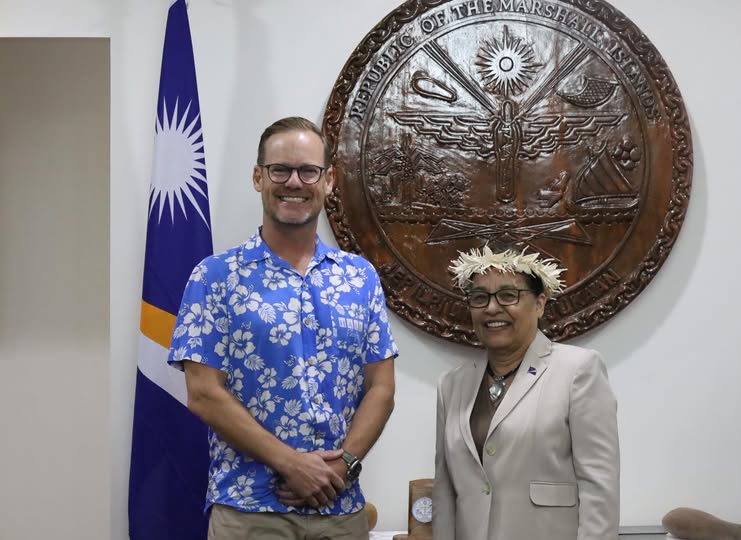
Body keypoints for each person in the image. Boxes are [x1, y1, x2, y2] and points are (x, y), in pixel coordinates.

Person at [168, 117, 398, 539]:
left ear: (328, 180)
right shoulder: (215, 277)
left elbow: (381, 388)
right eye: (280, 170)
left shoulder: (359, 278)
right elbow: (203, 393)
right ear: (259, 177)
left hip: (339, 507)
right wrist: (292, 463)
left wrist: (343, 465)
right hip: (249, 510)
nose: (295, 182)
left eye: (308, 171)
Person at [433, 245, 619, 540]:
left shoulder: (578, 370)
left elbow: (599, 485)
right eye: (480, 297)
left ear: (540, 303)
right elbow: (444, 492)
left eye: (508, 295)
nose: (492, 308)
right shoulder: (452, 385)